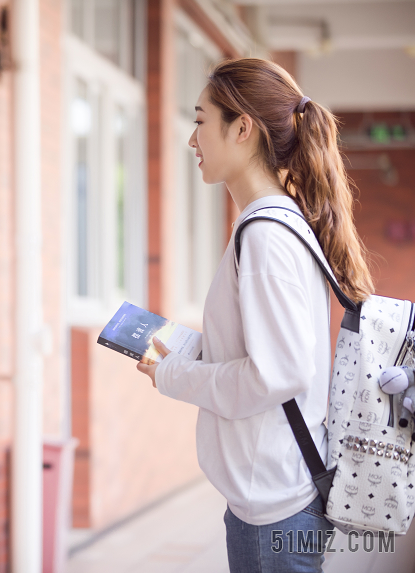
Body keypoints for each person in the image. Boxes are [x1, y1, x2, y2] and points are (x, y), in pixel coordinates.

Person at [137, 58, 374, 572]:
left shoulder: (265, 234)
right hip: (270, 500)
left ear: (241, 128)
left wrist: (171, 374)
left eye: (200, 121)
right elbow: (262, 353)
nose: (191, 140)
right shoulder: (272, 225)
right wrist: (185, 349)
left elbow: (278, 373)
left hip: (274, 509)